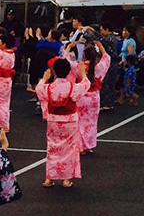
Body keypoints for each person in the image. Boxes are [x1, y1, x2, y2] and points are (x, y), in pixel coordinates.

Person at [35, 58, 90, 188]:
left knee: (53, 148)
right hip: (70, 120)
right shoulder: (72, 87)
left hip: (54, 120)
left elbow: (38, 89)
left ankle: (49, 178)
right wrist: (82, 74)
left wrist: (44, 78)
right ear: (68, 71)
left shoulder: (49, 87)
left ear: (54, 71)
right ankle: (66, 179)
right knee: (70, 150)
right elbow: (85, 85)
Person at [76, 40, 111, 154]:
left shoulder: (79, 67)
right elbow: (107, 58)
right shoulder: (99, 67)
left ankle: (80, 145)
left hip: (81, 96)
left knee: (79, 121)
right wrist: (101, 47)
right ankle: (88, 145)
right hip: (94, 98)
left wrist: (67, 50)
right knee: (91, 122)